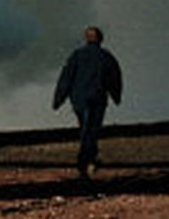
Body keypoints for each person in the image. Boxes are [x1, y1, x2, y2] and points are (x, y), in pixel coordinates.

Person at [53, 26, 124, 179]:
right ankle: (87, 160)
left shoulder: (77, 56)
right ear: (100, 39)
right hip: (98, 98)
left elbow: (66, 78)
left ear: (86, 38)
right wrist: (116, 96)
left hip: (79, 99)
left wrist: (58, 99)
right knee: (92, 129)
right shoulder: (106, 57)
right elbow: (114, 78)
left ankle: (86, 160)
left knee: (85, 128)